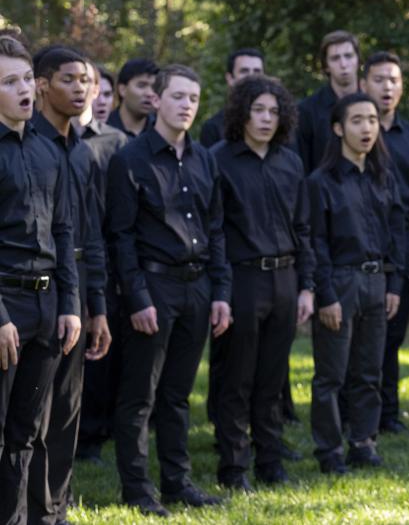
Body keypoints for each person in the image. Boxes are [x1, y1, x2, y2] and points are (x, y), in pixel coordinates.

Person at [106, 64, 232, 516]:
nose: (186, 106)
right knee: (140, 395)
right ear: (156, 100)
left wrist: (220, 292)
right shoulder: (130, 159)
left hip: (198, 287)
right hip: (152, 288)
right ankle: (138, 490)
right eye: (178, 97)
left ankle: (178, 484)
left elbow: (216, 229)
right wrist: (137, 298)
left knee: (178, 395)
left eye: (193, 99)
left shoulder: (205, 159)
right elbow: (119, 237)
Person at [210, 75, 314, 491]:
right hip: (242, 279)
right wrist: (221, 290)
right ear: (241, 113)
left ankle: (270, 460)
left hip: (286, 279)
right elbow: (214, 230)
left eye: (274, 111)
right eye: (258, 110)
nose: (266, 118)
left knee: (273, 377)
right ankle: (234, 467)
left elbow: (304, 228)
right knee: (237, 376)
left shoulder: (290, 162)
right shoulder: (217, 159)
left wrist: (307, 286)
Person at [28, 46, 112, 525]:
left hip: (78, 287)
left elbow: (93, 234)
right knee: (32, 417)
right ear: (42, 85)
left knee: (66, 412)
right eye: (69, 79)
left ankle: (56, 510)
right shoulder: (26, 146)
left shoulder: (83, 151)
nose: (81, 88)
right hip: (38, 290)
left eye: (86, 80)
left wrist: (96, 306)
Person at [0, 35, 82, 525]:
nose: (24, 90)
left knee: (28, 432)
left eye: (26, 79)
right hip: (5, 302)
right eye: (9, 82)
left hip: (48, 304)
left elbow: (65, 230)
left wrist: (71, 304)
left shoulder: (51, 151)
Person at [307, 93, 405, 474]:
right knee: (331, 374)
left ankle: (363, 442)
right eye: (357, 121)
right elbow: (314, 241)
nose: (367, 128)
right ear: (338, 128)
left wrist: (394, 283)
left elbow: (397, 230)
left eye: (372, 120)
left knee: (368, 371)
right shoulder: (321, 182)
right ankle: (329, 450)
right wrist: (326, 294)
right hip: (340, 282)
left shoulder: (383, 175)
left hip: (377, 281)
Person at [359, 51, 409, 434]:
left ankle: (387, 413)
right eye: (379, 80)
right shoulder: (349, 131)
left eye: (393, 80)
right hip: (356, 244)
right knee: (359, 338)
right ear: (363, 85)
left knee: (392, 336)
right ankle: (354, 413)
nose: (387, 87)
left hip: (401, 246)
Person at [72, 60, 129, 464]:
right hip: (60, 262)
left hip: (103, 258)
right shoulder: (41, 140)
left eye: (89, 82)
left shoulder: (116, 142)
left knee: (97, 351)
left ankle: (92, 433)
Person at [295, 30, 360, 175]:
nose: (343, 64)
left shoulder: (373, 106)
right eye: (335, 58)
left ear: (358, 61)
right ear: (326, 66)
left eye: (348, 56)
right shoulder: (306, 110)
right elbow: (301, 167)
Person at [199, 47, 264, 148]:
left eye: (257, 71)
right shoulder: (213, 128)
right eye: (244, 71)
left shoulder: (276, 123)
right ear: (230, 79)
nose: (251, 77)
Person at [107, 58, 157, 138]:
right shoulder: (104, 129)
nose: (150, 94)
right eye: (141, 86)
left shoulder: (160, 131)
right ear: (122, 90)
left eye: (154, 87)